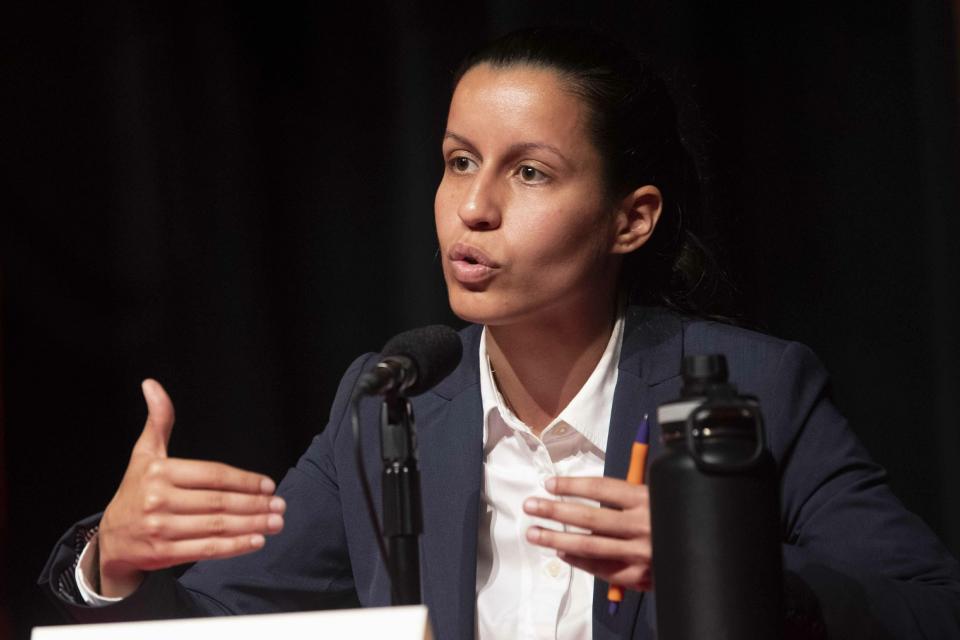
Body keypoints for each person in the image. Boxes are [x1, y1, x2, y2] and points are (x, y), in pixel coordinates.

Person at [40, 27, 960, 639]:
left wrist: (730, 568)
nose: (471, 209)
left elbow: (926, 605)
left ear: (630, 219)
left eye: (529, 173)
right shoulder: (393, 402)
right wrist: (109, 563)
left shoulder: (757, 388)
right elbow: (220, 618)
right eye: (458, 162)